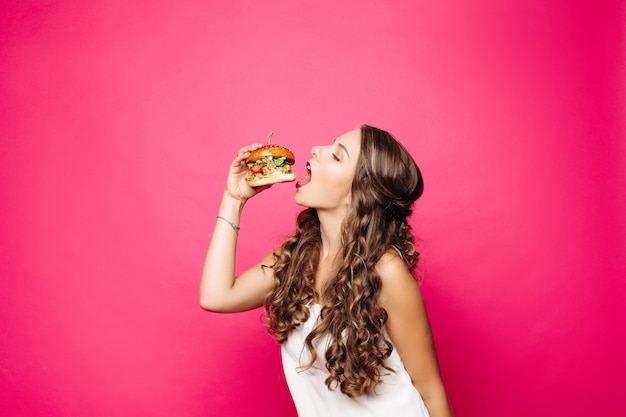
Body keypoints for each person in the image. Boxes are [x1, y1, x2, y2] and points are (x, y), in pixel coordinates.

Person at [200, 125, 454, 417]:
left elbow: (431, 391)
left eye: (336, 156)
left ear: (359, 192)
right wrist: (234, 199)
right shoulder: (298, 257)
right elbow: (215, 296)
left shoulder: (386, 272)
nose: (316, 150)